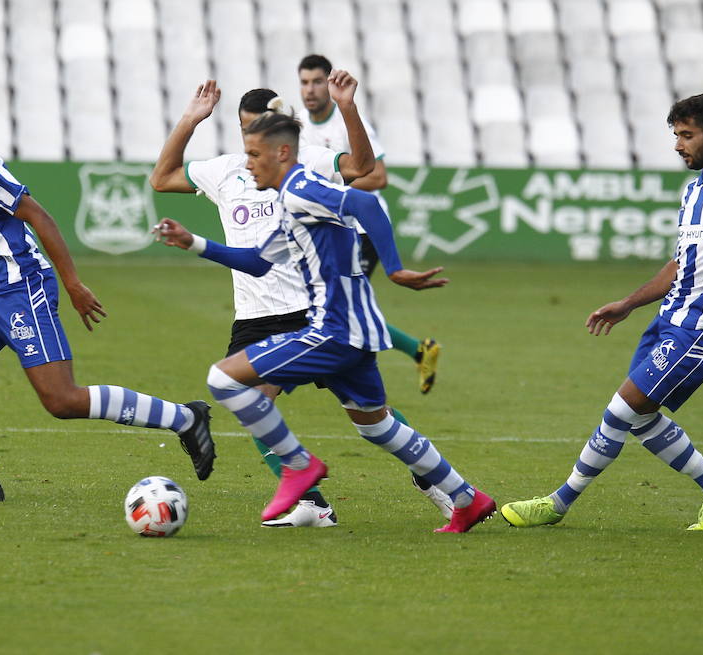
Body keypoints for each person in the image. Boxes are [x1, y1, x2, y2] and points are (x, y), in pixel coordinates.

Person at [0, 70, 214, 502]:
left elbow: (38, 216)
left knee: (62, 400)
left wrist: (72, 283)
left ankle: (185, 418)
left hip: (23, 288)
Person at [154, 109, 497, 533]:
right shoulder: (290, 199)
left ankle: (299, 466)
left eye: (254, 154)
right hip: (357, 329)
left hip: (335, 330)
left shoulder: (300, 188)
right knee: (379, 428)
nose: (247, 164)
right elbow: (258, 262)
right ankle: (467, 498)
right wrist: (194, 242)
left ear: (282, 153)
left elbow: (366, 200)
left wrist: (393, 269)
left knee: (226, 380)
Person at [501, 94, 703, 532]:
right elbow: (680, 263)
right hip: (668, 321)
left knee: (619, 412)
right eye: (676, 135)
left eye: (686, 135)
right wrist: (629, 303)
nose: (678, 145)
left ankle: (557, 504)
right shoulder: (695, 190)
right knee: (641, 419)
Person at [297, 54, 441, 394]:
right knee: (338, 305)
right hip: (328, 228)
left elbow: (378, 176)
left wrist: (327, 185)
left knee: (338, 305)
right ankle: (419, 350)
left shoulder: (347, 123)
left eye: (317, 81)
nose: (310, 90)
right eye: (304, 82)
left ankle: (356, 373)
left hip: (362, 230)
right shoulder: (298, 124)